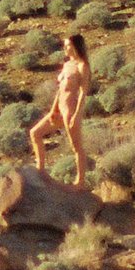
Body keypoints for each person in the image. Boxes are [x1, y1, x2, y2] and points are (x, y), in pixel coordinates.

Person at [29, 28, 92, 188]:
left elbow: (83, 92)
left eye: (68, 45)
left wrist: (76, 115)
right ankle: (40, 169)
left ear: (75, 46)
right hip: (59, 109)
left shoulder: (82, 66)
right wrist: (53, 110)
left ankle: (80, 181)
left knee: (76, 146)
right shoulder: (67, 64)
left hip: (71, 109)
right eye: (65, 45)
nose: (65, 48)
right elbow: (60, 90)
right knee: (35, 133)